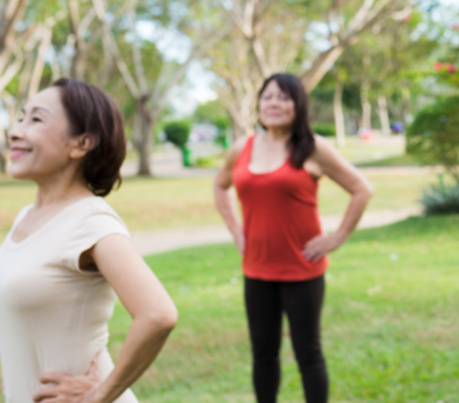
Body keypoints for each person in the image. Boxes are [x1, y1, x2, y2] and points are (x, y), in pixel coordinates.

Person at [0, 79, 178, 402]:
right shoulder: (26, 216)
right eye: (21, 117)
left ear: (81, 143)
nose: (15, 130)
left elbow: (158, 313)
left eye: (36, 119)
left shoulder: (90, 222)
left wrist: (99, 394)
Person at [214, 73, 373, 403]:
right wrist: (236, 230)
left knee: (308, 352)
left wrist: (338, 236)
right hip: (256, 270)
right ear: (258, 104)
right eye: (268, 96)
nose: (274, 103)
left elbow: (361, 189)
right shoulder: (241, 147)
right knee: (263, 354)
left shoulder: (313, 147)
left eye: (284, 98)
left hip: (303, 269)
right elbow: (220, 186)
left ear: (297, 105)